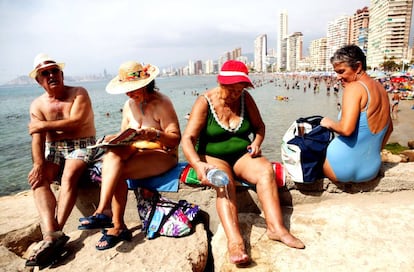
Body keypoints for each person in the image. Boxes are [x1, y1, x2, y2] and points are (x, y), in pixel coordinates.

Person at [181, 60, 305, 266]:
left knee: (265, 171)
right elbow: (187, 139)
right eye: (231, 89)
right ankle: (235, 242)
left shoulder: (246, 99)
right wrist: (197, 164)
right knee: (224, 182)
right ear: (220, 83)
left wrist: (256, 143)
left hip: (241, 155)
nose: (235, 94)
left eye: (240, 89)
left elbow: (260, 127)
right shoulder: (204, 102)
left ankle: (276, 228)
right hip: (212, 156)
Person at [79, 60, 181, 250]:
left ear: (146, 84)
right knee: (111, 156)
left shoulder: (162, 103)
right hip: (136, 150)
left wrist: (155, 133)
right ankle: (104, 211)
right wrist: (112, 138)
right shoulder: (129, 105)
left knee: (118, 170)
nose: (128, 93)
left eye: (133, 88)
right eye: (126, 89)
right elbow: (125, 137)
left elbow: (175, 139)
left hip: (162, 153)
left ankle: (116, 224)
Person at [26, 53, 96, 266]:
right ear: (39, 81)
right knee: (38, 180)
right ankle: (52, 235)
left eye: (54, 70)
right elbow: (37, 138)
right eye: (44, 73)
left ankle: (55, 233)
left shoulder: (78, 93)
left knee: (69, 176)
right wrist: (38, 165)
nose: (51, 75)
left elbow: (76, 122)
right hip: (54, 148)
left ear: (62, 74)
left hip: (82, 143)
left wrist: (42, 126)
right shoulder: (38, 105)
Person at [321, 45, 393, 183]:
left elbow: (346, 130)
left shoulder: (354, 87)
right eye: (336, 72)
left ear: (358, 66)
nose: (338, 77)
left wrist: (328, 123)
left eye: (342, 71)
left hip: (340, 167)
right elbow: (389, 129)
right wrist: (372, 153)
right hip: (370, 169)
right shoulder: (381, 89)